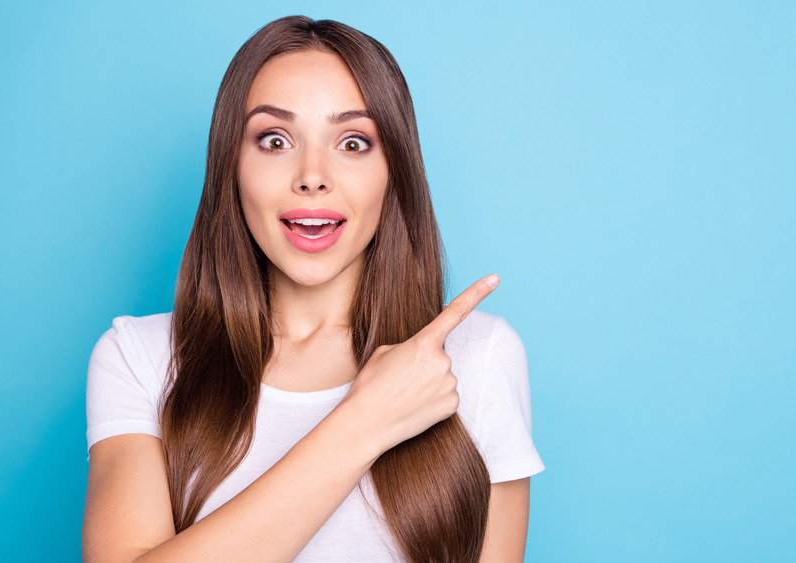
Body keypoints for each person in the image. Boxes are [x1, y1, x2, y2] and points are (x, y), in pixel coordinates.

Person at [82, 15, 543, 563]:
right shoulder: (141, 357)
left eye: (353, 142)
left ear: (394, 170)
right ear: (231, 165)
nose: (312, 175)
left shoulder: (478, 357)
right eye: (274, 140)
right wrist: (364, 421)